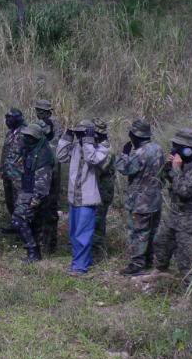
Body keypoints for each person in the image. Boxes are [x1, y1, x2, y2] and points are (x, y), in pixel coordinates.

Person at [153, 129, 192, 281]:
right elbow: (166, 180)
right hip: (175, 215)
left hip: (191, 219)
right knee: (161, 242)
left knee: (187, 257)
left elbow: (184, 191)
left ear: (188, 148)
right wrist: (168, 167)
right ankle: (161, 272)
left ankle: (191, 292)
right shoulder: (184, 163)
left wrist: (176, 169)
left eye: (178, 146)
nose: (175, 150)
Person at [56, 120, 110, 275]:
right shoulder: (77, 146)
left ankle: (80, 267)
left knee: (83, 233)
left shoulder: (102, 147)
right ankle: (79, 262)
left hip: (87, 198)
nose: (80, 136)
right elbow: (60, 156)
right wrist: (67, 137)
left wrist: (88, 140)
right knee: (74, 232)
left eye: (82, 133)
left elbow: (93, 159)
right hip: (74, 197)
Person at [116, 119, 165, 276]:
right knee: (152, 231)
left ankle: (137, 265)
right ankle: (149, 260)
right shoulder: (158, 149)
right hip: (155, 199)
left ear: (136, 135)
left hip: (140, 201)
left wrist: (124, 154)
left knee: (138, 232)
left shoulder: (140, 153)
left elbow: (125, 169)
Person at [11, 123, 54, 263]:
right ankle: (35, 250)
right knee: (29, 222)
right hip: (26, 191)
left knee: (18, 219)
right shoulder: (29, 149)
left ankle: (33, 252)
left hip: (37, 195)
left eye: (29, 137)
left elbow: (43, 183)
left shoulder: (43, 155)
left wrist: (34, 202)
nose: (25, 139)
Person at [35, 100, 63, 253]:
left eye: (39, 111)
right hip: (52, 166)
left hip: (49, 167)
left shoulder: (47, 123)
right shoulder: (55, 123)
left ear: (44, 112)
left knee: (47, 205)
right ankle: (49, 242)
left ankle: (48, 243)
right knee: (50, 205)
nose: (37, 113)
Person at [0, 108, 26, 233]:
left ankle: (22, 227)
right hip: (7, 173)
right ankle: (14, 224)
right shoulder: (10, 133)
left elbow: (28, 153)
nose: (8, 120)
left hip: (19, 175)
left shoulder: (26, 132)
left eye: (10, 117)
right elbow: (4, 151)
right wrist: (1, 168)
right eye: (7, 117)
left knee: (19, 201)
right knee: (9, 200)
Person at [92, 118, 116, 257]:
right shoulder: (99, 146)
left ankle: (98, 253)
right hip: (98, 189)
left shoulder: (106, 149)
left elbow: (100, 168)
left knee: (98, 221)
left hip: (103, 190)